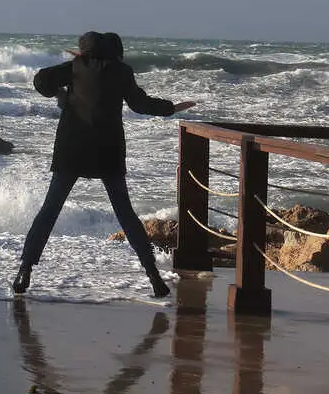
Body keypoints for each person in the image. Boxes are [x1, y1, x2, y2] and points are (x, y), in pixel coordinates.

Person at [13, 31, 195, 297]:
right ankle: (154, 277)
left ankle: (24, 272)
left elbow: (41, 80)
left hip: (71, 149)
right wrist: (172, 108)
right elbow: (141, 104)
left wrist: (60, 95)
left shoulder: (75, 67)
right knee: (125, 213)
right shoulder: (121, 71)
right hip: (107, 150)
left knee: (49, 211)